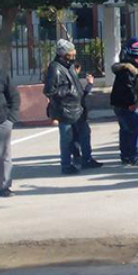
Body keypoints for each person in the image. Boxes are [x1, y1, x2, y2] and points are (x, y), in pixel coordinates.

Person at [43, 40, 102, 175]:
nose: (73, 54)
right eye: (71, 52)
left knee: (85, 134)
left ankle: (87, 159)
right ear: (63, 53)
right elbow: (49, 91)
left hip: (78, 108)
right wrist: (68, 91)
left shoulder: (68, 66)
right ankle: (66, 165)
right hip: (66, 110)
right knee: (67, 139)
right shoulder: (55, 68)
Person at [111, 41, 138, 167]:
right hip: (126, 105)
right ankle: (136, 157)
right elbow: (130, 89)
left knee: (125, 130)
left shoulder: (124, 69)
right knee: (135, 130)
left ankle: (126, 156)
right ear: (137, 57)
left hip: (118, 103)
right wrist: (134, 102)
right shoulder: (130, 71)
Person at [0, 67, 19, 197]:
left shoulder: (1, 74)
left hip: (1, 121)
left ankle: (4, 187)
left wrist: (10, 119)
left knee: (3, 156)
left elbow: (14, 97)